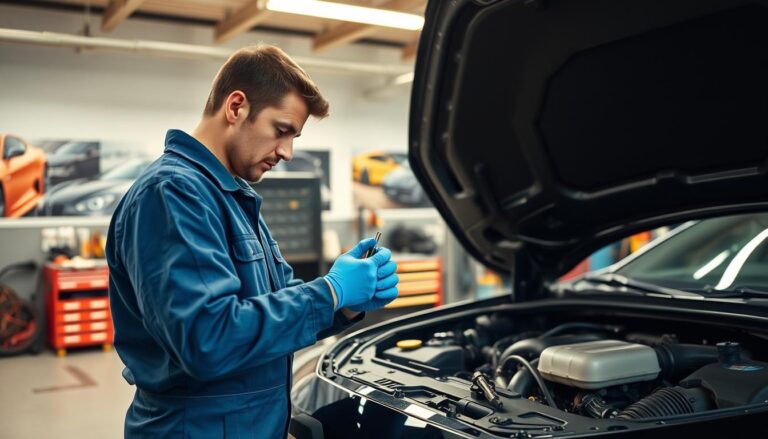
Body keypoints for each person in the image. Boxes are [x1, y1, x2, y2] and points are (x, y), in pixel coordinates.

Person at [106, 45, 399, 438]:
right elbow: (206, 339)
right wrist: (330, 292)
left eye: (294, 137)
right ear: (236, 107)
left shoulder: (232, 196)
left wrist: (343, 305)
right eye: (281, 130)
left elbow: (272, 308)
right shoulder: (172, 193)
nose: (287, 152)